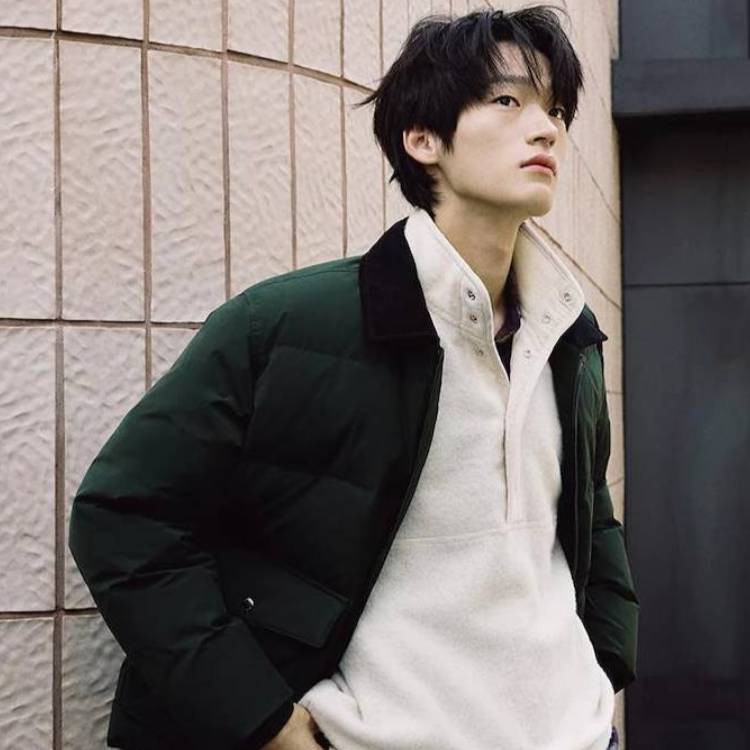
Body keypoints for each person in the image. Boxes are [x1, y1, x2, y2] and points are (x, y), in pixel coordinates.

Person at [69, 6, 638, 750]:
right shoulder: (290, 325)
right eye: (508, 100)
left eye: (557, 110)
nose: (547, 130)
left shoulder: (568, 331)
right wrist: (264, 720)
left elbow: (589, 518)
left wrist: (604, 664)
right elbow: (123, 517)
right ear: (423, 139)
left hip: (575, 734)